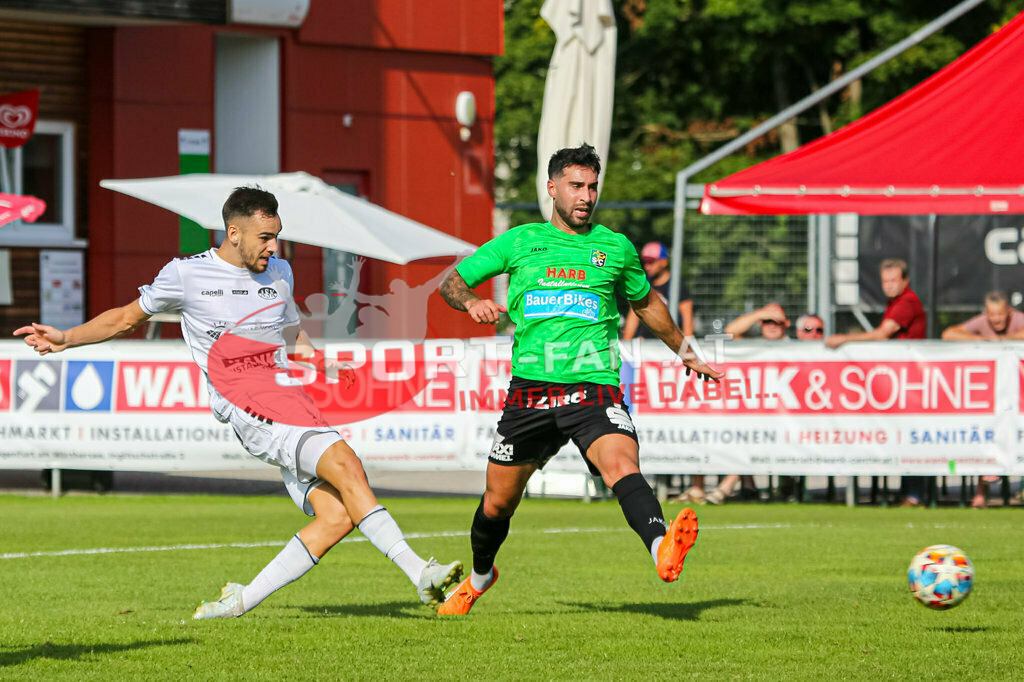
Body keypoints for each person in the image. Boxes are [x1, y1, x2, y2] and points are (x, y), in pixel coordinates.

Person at [14, 186, 462, 618]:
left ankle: (239, 602)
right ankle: (420, 573)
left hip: (291, 398)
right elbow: (126, 318)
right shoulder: (186, 274)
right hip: (248, 405)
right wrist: (66, 338)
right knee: (346, 463)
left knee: (338, 516)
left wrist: (323, 364)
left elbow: (291, 335)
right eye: (265, 237)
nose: (273, 247)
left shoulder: (279, 273)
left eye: (277, 236)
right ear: (233, 233)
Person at [435, 143, 722, 615]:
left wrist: (686, 353)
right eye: (576, 186)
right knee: (497, 503)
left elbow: (647, 304)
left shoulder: (615, 247)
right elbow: (451, 282)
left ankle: (661, 547)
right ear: (552, 188)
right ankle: (480, 578)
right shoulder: (519, 241)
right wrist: (472, 302)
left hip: (593, 384)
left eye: (592, 187)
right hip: (530, 390)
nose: (586, 196)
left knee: (621, 464)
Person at [825, 258, 927, 506]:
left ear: (905, 280)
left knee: (910, 435)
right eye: (885, 281)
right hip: (898, 380)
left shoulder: (907, 301)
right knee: (900, 435)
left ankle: (914, 495)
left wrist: (845, 339)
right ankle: (907, 492)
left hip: (910, 381)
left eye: (894, 280)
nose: (889, 285)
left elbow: (882, 334)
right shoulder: (895, 301)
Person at [621, 241, 693, 339]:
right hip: (645, 343)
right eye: (645, 262)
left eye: (651, 262)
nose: (647, 266)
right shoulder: (644, 284)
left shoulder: (677, 286)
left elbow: (687, 318)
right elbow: (634, 315)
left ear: (664, 262)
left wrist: (685, 345)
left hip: (670, 343)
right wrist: (626, 343)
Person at [941, 290, 1024, 341]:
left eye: (1000, 314)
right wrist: (982, 339)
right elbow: (948, 334)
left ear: (1009, 311)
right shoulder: (982, 320)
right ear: (986, 313)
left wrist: (1004, 339)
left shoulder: (1018, 318)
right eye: (992, 314)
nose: (996, 319)